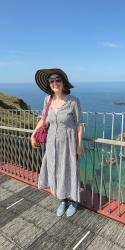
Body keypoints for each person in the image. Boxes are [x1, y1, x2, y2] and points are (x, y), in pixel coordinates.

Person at [31, 68, 83, 217]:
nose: (54, 83)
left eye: (57, 80)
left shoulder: (73, 101)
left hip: (69, 142)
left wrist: (79, 146)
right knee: (56, 170)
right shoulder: (48, 100)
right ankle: (62, 200)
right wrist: (33, 134)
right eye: (51, 81)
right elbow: (43, 119)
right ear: (49, 84)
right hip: (52, 143)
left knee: (70, 170)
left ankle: (73, 201)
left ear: (63, 82)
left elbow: (79, 124)